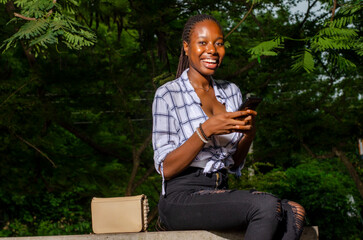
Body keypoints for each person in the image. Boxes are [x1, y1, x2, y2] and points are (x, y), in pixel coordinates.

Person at [152, 14, 305, 240]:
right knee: (266, 206)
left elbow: (233, 162)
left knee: (294, 211)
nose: (212, 49)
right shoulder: (167, 94)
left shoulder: (231, 91)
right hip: (181, 197)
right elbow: (166, 169)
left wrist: (249, 133)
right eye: (202, 43)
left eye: (219, 43)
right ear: (186, 47)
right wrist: (206, 130)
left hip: (220, 190)